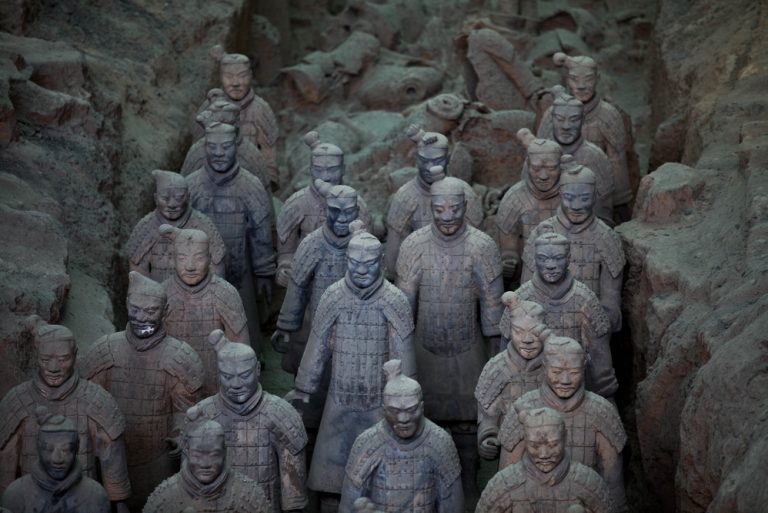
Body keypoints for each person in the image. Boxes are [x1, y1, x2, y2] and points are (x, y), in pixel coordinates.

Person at [285, 222, 415, 512]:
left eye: (368, 265)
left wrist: (407, 396)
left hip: (379, 402)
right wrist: (303, 387)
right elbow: (317, 345)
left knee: (377, 479)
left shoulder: (394, 300)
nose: (360, 271)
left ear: (381, 262)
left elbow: (404, 355)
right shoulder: (333, 296)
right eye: (354, 264)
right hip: (339, 399)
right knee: (333, 477)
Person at [395, 167, 503, 504]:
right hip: (424, 349)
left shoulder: (483, 246)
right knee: (423, 425)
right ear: (430, 207)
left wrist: (497, 349)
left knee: (468, 428)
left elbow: (492, 303)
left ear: (465, 207)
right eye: (440, 209)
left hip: (468, 350)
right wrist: (400, 355)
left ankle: (469, 490)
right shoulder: (413, 245)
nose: (447, 216)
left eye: (454, 208)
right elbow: (404, 305)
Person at [79, 271, 205, 509]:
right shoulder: (105, 350)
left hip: (157, 461)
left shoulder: (179, 357)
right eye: (135, 309)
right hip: (108, 461)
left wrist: (179, 434)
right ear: (126, 305)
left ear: (165, 311)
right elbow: (88, 405)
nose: (141, 317)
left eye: (150, 311)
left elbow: (186, 410)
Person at [0, 319, 130, 511]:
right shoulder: (17, 401)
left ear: (76, 355)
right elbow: (6, 465)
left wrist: (120, 503)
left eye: (63, 359)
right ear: (36, 356)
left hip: (83, 501)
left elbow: (112, 461)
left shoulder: (97, 400)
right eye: (45, 360)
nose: (53, 367)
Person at [498, 337, 627, 511]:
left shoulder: (602, 412)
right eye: (557, 372)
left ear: (583, 366)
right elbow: (506, 481)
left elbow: (613, 488)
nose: (565, 380)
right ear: (544, 367)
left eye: (573, 372)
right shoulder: (521, 410)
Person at [193, 330, 308, 512]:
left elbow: (293, 497)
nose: (236, 384)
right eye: (228, 376)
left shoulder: (282, 415)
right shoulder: (202, 417)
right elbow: (190, 489)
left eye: (245, 375)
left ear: (258, 370)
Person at [340, 359, 463, 513]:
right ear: (384, 410)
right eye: (395, 411)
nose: (403, 419)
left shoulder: (440, 443)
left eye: (411, 410)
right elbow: (348, 505)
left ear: (422, 407)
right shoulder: (367, 443)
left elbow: (453, 506)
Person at [509, 231, 618, 399]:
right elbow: (507, 356)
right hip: (530, 389)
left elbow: (600, 359)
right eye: (543, 259)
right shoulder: (521, 298)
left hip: (576, 388)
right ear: (534, 260)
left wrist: (605, 397)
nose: (550, 265)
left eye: (558, 258)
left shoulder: (585, 298)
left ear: (569, 258)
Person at [522, 157, 625, 331]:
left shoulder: (607, 237)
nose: (576, 206)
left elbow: (611, 304)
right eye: (569, 198)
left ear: (595, 196)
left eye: (584, 198)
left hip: (589, 326)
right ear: (560, 195)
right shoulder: (542, 233)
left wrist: (595, 326)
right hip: (544, 326)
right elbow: (526, 295)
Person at [384, 125, 483, 279]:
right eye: (424, 160)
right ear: (416, 159)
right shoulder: (404, 197)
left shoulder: (465, 193)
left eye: (437, 160)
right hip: (418, 277)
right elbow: (393, 262)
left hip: (460, 276)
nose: (429, 167)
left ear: (448, 159)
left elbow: (479, 249)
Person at [161, 225, 249, 396]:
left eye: (199, 258)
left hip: (216, 386)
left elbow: (240, 347)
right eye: (182, 258)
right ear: (172, 260)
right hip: (173, 388)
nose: (190, 266)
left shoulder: (226, 293)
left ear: (210, 259)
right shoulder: (162, 294)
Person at [476, 407, 613, 513]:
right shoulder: (503, 485)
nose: (544, 454)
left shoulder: (588, 482)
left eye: (553, 445)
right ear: (525, 440)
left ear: (565, 438)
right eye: (534, 445)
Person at [143, 410, 269, 513]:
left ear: (224, 453)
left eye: (214, 455)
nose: (205, 464)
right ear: (187, 451)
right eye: (197, 455)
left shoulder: (250, 496)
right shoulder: (163, 498)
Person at [475, 295, 551, 463]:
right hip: (511, 456)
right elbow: (488, 420)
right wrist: (487, 438)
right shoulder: (496, 368)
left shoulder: (556, 367)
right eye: (519, 331)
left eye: (534, 332)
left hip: (552, 450)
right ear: (510, 330)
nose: (527, 340)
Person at [125, 169, 226, 284]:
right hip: (159, 298)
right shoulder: (145, 228)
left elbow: (217, 274)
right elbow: (139, 279)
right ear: (155, 198)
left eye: (179, 198)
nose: (172, 204)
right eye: (165, 198)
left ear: (188, 197)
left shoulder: (203, 225)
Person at [0, 408, 110, 513]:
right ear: (38, 448)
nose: (57, 459)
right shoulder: (16, 494)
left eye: (66, 449)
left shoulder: (95, 496)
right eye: (48, 449)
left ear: (77, 448)